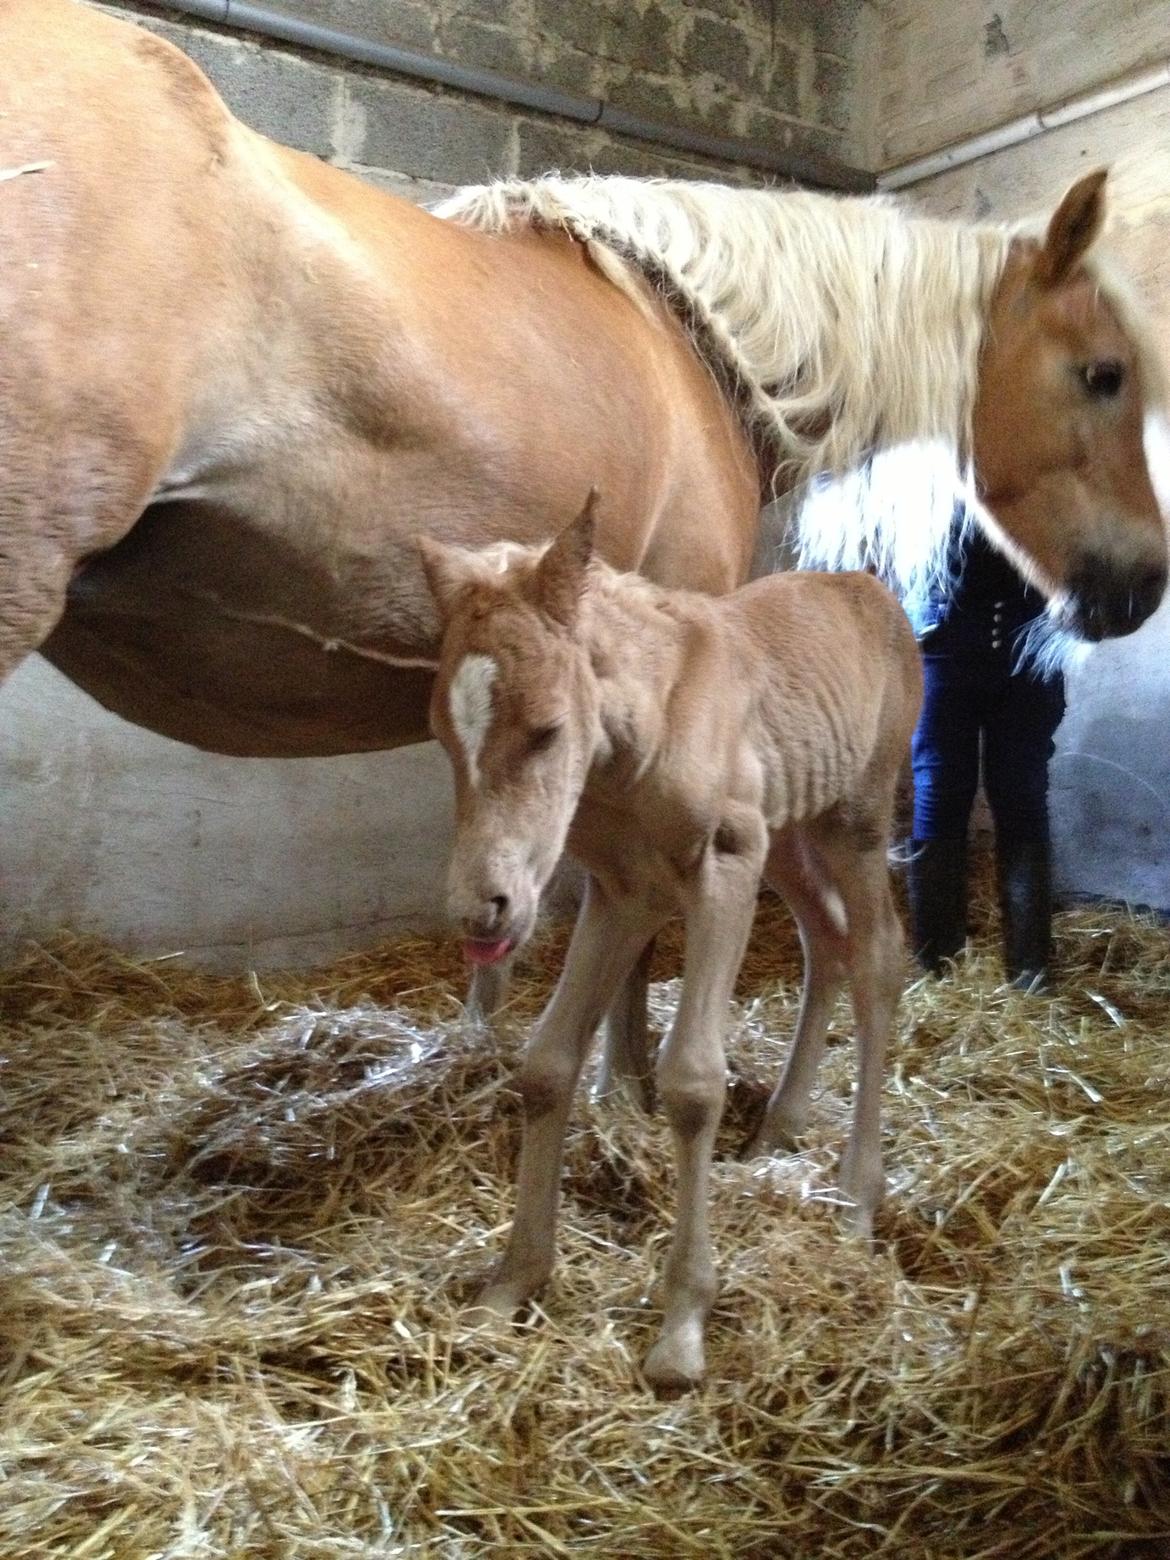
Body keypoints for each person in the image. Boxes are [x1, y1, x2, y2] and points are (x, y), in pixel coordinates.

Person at [907, 508, 1066, 990]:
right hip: (945, 646)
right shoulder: (933, 460)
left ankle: (1030, 972)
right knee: (939, 797)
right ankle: (938, 968)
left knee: (1021, 800)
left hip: (1029, 649)